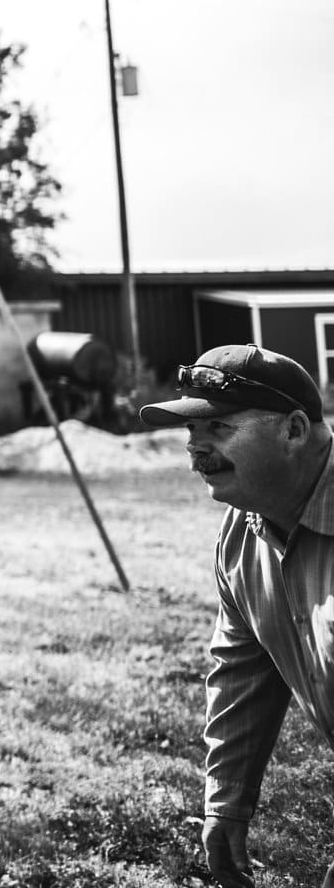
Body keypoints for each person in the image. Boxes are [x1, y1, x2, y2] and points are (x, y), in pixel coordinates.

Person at [139, 344, 334, 888]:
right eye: (190, 433)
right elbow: (244, 668)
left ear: (294, 431)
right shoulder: (242, 531)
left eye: (218, 429)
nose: (195, 453)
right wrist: (225, 803)